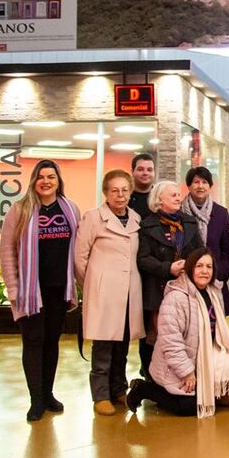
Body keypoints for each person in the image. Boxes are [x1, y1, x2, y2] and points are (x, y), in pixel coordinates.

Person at [0, 159, 81, 422]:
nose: (46, 181)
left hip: (59, 290)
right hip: (30, 292)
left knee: (51, 342)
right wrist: (13, 287)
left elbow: (78, 250)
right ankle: (35, 400)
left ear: (58, 182)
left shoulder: (71, 209)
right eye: (41, 177)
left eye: (51, 177)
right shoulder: (19, 210)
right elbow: (7, 252)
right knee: (33, 342)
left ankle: (48, 394)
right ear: (34, 181)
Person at [127, 248, 229, 417]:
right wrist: (187, 372)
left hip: (202, 359)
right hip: (175, 364)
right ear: (190, 268)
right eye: (199, 266)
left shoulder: (214, 293)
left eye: (209, 267)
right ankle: (145, 389)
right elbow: (171, 342)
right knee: (188, 407)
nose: (205, 271)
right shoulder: (176, 298)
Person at [75, 169, 144, 416]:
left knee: (123, 345)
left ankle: (118, 389)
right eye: (114, 190)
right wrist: (95, 284)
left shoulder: (135, 218)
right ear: (105, 193)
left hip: (129, 294)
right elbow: (80, 259)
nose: (120, 195)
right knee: (103, 345)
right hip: (104, 293)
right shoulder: (94, 218)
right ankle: (100, 394)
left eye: (125, 190)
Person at [136, 180, 204, 378]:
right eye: (172, 195)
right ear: (159, 200)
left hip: (186, 289)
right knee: (156, 339)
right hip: (158, 290)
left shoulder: (188, 222)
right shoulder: (147, 226)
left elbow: (200, 252)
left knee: (184, 336)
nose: (178, 197)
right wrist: (168, 268)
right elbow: (143, 259)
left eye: (178, 194)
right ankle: (152, 379)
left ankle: (182, 377)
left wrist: (191, 266)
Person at [181, 167, 229, 314]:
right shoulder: (179, 212)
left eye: (204, 182)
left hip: (214, 278)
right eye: (196, 182)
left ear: (210, 186)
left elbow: (226, 248)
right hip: (186, 280)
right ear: (189, 186)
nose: (200, 186)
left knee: (214, 327)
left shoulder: (221, 213)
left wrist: (220, 273)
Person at [129, 153, 155, 220]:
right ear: (132, 172)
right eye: (140, 169)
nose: (145, 173)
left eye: (149, 170)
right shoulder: (123, 197)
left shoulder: (161, 197)